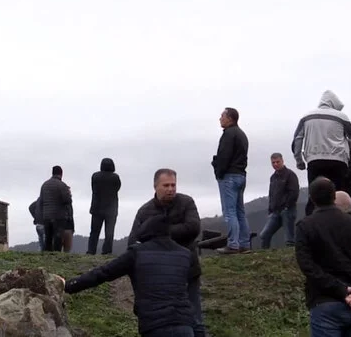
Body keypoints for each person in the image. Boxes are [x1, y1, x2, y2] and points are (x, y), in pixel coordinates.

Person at [66, 214, 195, 337]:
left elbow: (103, 273)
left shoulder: (137, 253)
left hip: (155, 325)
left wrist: (70, 285)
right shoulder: (185, 255)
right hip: (185, 325)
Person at [295, 177, 351, 336]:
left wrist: (341, 290)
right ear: (334, 196)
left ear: (312, 199)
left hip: (324, 303)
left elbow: (308, 266)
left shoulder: (305, 226)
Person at [128, 168, 204, 337]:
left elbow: (193, 227)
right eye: (166, 185)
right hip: (158, 275)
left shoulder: (186, 203)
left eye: (173, 185)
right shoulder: (144, 211)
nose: (171, 189)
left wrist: (161, 232)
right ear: (156, 186)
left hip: (187, 270)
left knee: (195, 318)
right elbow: (133, 240)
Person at [291, 90, 351, 216]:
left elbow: (297, 139)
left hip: (315, 161)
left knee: (315, 194)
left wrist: (299, 161)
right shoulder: (341, 116)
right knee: (337, 195)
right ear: (333, 104)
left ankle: (312, 225)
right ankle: (339, 225)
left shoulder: (306, 117)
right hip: (338, 162)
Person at [211, 107, 251, 254]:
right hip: (241, 175)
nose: (220, 118)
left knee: (230, 212)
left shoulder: (228, 134)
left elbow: (224, 156)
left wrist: (218, 172)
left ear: (230, 118)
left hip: (229, 176)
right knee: (240, 211)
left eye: (222, 115)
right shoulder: (242, 135)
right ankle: (245, 243)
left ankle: (233, 244)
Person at [259, 153, 300, 249]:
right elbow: (271, 194)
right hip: (275, 211)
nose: (275, 164)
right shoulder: (273, 177)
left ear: (282, 161)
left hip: (288, 210)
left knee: (289, 239)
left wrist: (287, 206)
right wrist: (270, 209)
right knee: (264, 235)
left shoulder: (290, 175)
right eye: (273, 162)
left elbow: (294, 192)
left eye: (277, 162)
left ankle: (291, 257)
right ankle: (264, 255)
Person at [87, 157, 121, 255]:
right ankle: (106, 251)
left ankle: (91, 250)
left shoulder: (95, 176)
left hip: (97, 207)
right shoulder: (115, 177)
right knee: (109, 232)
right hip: (111, 208)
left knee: (94, 232)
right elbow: (117, 188)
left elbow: (93, 188)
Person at [39, 165, 73, 252]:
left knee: (48, 239)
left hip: (46, 216)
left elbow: (41, 201)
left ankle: (47, 256)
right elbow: (68, 200)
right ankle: (56, 257)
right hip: (59, 216)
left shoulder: (44, 185)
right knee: (58, 238)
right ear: (61, 174)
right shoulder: (62, 185)